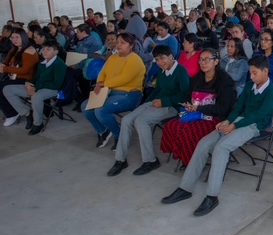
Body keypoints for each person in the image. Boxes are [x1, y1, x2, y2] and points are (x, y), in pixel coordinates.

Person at [160, 55, 273, 217]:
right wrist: (228, 120)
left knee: (221, 148)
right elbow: (238, 107)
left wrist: (234, 125)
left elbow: (258, 115)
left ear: (265, 71)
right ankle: (185, 188)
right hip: (237, 120)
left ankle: (212, 196)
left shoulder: (272, 92)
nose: (251, 77)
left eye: (255, 73)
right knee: (203, 143)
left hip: (254, 126)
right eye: (250, 73)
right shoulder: (250, 85)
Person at [107, 45, 190, 176]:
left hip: (172, 107)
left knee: (141, 121)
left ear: (171, 56)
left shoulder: (181, 71)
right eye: (157, 59)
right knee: (126, 119)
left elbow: (185, 95)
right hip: (156, 102)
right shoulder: (162, 71)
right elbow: (157, 90)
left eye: (162, 58)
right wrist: (146, 104)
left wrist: (163, 102)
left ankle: (151, 161)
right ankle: (120, 160)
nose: (160, 62)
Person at [160, 49, 236, 168]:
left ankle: (192, 162)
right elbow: (187, 96)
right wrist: (188, 104)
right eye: (200, 60)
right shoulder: (197, 78)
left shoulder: (225, 82)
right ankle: (186, 156)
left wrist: (199, 108)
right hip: (194, 113)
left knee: (188, 131)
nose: (202, 63)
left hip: (214, 118)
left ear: (216, 61)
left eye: (206, 60)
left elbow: (223, 108)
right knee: (171, 125)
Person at [82, 33, 145, 150]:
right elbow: (102, 73)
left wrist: (103, 84)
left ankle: (119, 135)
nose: (119, 45)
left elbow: (124, 79)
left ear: (131, 45)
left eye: (123, 43)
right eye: (118, 42)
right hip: (109, 91)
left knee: (101, 110)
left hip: (130, 94)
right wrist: (99, 83)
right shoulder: (113, 57)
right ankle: (103, 131)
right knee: (85, 107)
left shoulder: (135, 60)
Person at [2, 40, 66, 135]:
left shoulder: (59, 64)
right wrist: (29, 84)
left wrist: (35, 88)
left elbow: (57, 84)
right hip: (38, 87)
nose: (45, 51)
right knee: (7, 89)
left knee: (36, 97)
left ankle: (38, 124)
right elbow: (35, 78)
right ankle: (27, 113)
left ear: (55, 52)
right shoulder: (42, 63)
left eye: (48, 49)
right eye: (43, 49)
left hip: (52, 89)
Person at [0, 28, 40, 126]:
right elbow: (6, 62)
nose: (14, 40)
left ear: (23, 37)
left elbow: (24, 70)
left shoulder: (29, 51)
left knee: (1, 86)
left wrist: (5, 69)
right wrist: (2, 66)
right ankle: (17, 111)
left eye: (17, 37)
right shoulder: (15, 49)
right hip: (14, 77)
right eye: (12, 37)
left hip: (27, 80)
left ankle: (12, 114)